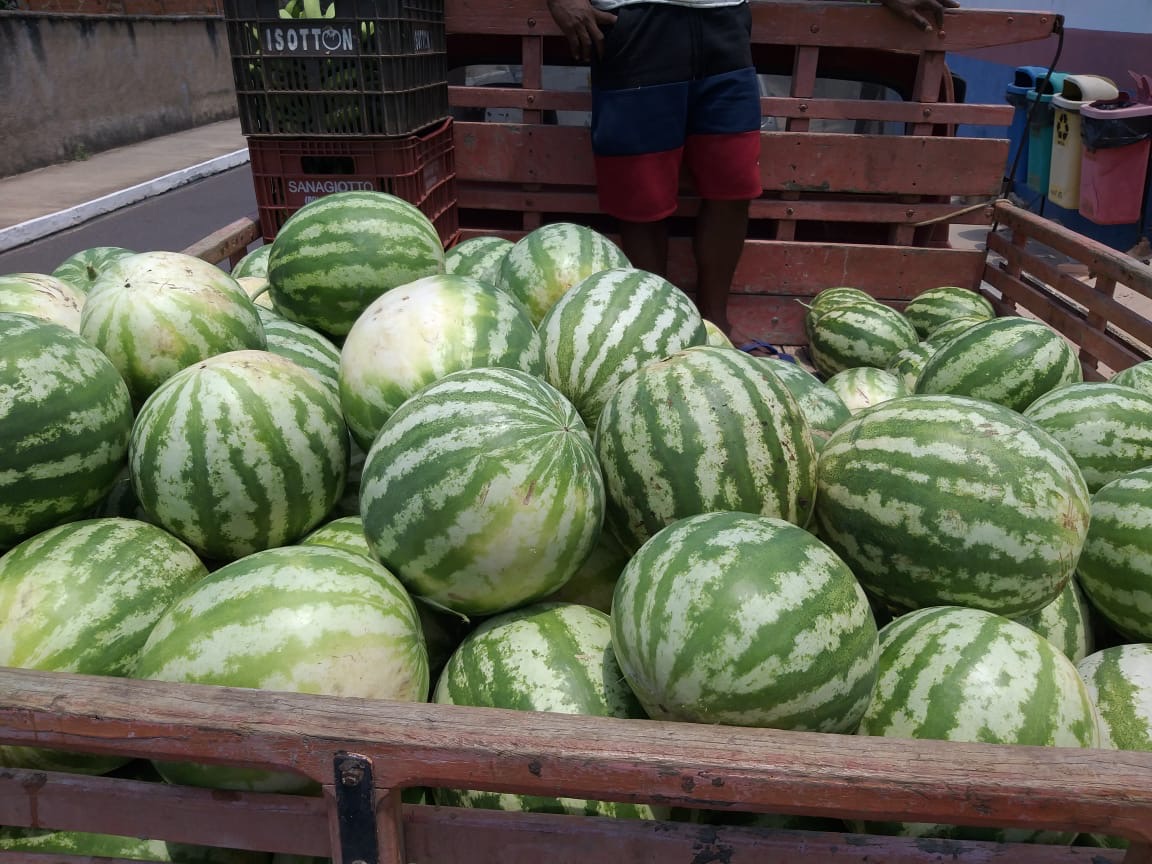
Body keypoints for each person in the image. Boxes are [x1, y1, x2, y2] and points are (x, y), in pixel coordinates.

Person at [545, 0, 960, 339]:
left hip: (724, 23)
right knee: (642, 199)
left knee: (733, 186)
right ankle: (658, 329)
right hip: (633, 21)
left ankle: (715, 324)